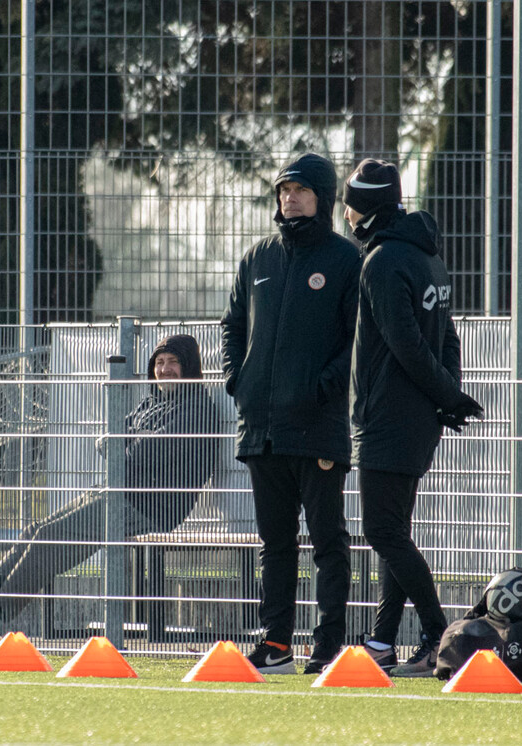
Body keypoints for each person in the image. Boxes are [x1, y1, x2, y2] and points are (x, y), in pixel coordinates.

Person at [0, 334, 222, 637]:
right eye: (159, 362)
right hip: (117, 491)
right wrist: (124, 445)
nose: (165, 369)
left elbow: (142, 451)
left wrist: (124, 445)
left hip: (148, 507)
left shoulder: (196, 410)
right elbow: (112, 439)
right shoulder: (152, 403)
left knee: (48, 538)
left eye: (173, 363)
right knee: (34, 531)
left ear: (191, 367)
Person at [221, 153, 362, 674]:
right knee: (274, 542)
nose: (290, 198)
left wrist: (321, 389)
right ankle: (275, 644)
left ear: (323, 198)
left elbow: (355, 341)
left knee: (328, 541)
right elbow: (232, 326)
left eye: (300, 190)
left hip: (318, 427)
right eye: (283, 190)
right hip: (261, 429)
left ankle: (327, 646)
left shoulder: (347, 261)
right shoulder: (258, 257)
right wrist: (240, 381)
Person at [342, 158, 483, 677]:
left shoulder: (381, 262)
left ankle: (436, 636)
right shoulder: (428, 257)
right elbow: (446, 338)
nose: (347, 216)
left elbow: (404, 345)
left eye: (351, 206)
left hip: (389, 417)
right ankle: (382, 640)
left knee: (382, 531)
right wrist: (446, 395)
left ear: (369, 210)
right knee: (395, 530)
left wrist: (446, 394)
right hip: (418, 415)